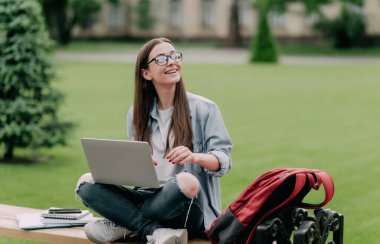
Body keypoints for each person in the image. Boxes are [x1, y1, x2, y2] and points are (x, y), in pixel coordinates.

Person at [75, 37, 232, 244]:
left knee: (187, 182)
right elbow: (137, 178)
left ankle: (125, 224)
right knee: (85, 183)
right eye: (161, 58)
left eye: (174, 56)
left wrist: (195, 157)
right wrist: (135, 164)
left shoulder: (204, 109)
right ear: (146, 73)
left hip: (186, 205)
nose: (171, 61)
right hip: (147, 197)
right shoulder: (136, 114)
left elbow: (223, 160)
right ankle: (153, 230)